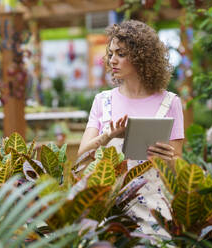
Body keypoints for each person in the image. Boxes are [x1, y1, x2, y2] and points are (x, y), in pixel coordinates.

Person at [78, 20, 184, 236]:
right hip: (107, 208)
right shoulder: (102, 101)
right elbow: (81, 157)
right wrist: (109, 135)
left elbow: (178, 167)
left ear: (141, 56)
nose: (112, 60)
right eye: (111, 54)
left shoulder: (170, 102)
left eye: (121, 54)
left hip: (154, 210)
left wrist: (166, 159)